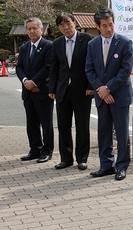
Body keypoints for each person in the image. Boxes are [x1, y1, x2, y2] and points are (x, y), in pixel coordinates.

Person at [85, 8, 133, 181]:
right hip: (102, 96)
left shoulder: (125, 42)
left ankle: (121, 166)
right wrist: (101, 89)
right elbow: (89, 70)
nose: (108, 29)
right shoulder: (92, 44)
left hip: (119, 95)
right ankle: (106, 165)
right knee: (103, 132)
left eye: (111, 24)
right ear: (97, 26)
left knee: (121, 133)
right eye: (104, 25)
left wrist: (109, 88)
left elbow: (125, 70)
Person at [49, 12, 94, 171]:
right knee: (63, 125)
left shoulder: (87, 39)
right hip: (62, 90)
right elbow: (54, 68)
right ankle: (66, 159)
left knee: (82, 125)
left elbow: (92, 65)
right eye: (61, 25)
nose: (65, 27)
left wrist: (91, 86)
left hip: (82, 90)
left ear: (75, 23)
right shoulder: (57, 43)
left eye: (68, 23)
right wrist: (52, 88)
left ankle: (82, 158)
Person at [16, 17, 54, 163]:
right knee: (31, 123)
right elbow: (19, 67)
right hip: (28, 91)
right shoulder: (25, 47)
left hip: (42, 90)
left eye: (34, 28)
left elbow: (48, 66)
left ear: (41, 29)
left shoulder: (48, 45)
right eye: (29, 29)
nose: (32, 31)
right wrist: (26, 81)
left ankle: (47, 150)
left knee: (46, 123)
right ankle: (35, 149)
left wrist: (34, 81)